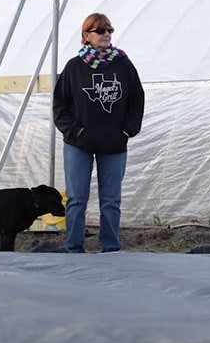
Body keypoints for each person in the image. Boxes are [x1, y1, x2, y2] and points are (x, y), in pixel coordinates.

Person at [53, 13, 145, 253]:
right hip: (78, 144)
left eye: (109, 30)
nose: (106, 34)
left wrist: (127, 129)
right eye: (100, 30)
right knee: (76, 199)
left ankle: (111, 249)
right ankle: (73, 249)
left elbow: (137, 98)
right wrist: (76, 132)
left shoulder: (123, 64)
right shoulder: (74, 67)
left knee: (111, 201)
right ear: (86, 36)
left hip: (113, 143)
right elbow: (60, 106)